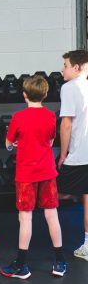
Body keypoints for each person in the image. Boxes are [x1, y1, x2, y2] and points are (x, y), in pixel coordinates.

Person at [0, 76, 66, 279]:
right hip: (47, 171)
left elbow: (8, 143)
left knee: (25, 218)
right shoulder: (50, 117)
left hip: (27, 174)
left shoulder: (19, 117)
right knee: (51, 215)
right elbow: (50, 139)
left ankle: (21, 265)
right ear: (45, 94)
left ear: (24, 94)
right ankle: (60, 263)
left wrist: (16, 144)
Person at [56, 50, 88, 260]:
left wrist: (62, 154)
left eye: (66, 65)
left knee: (54, 193)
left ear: (76, 68)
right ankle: (87, 244)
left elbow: (66, 124)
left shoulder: (69, 87)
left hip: (79, 156)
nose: (62, 69)